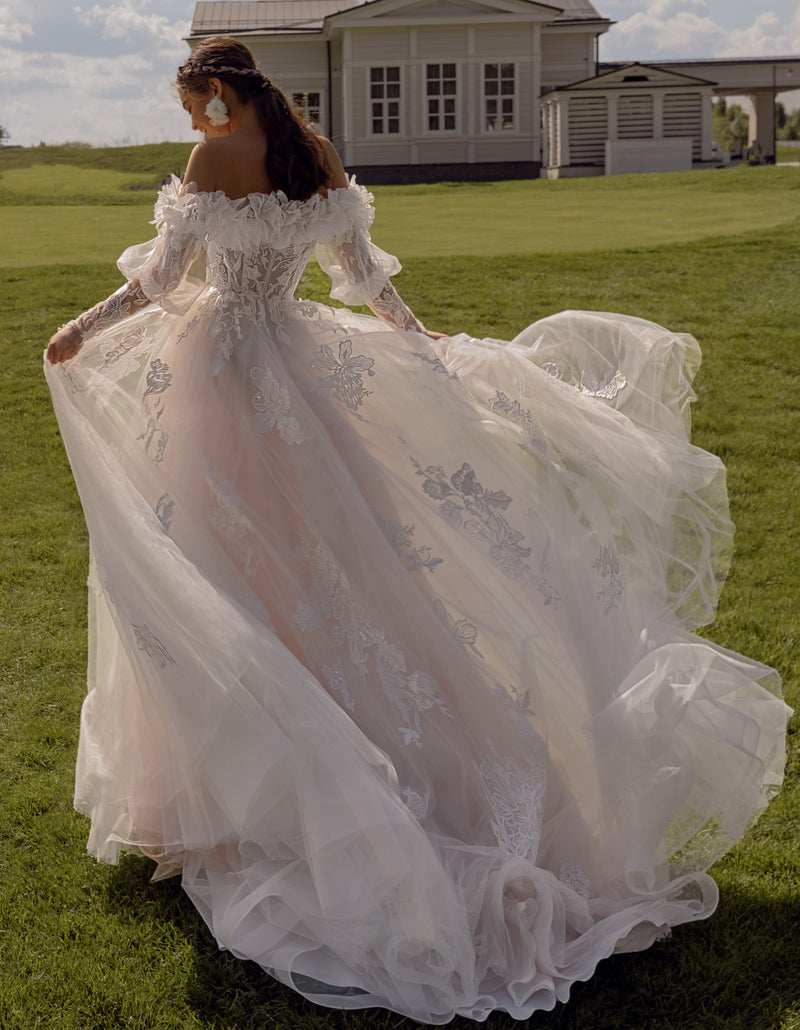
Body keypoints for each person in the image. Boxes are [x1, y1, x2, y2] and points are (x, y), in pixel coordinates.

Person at [45, 36, 790, 1025]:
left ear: (220, 93)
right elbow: (362, 282)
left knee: (215, 579)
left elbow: (162, 283)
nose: (191, 122)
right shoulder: (317, 152)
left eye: (195, 103)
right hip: (300, 382)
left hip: (221, 388)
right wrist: (421, 342)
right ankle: (255, 775)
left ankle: (233, 795)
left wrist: (84, 327)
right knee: (328, 571)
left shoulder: (209, 163)